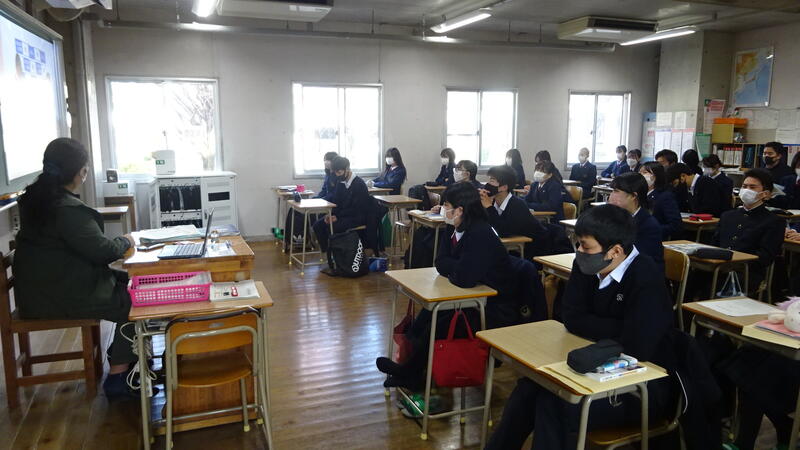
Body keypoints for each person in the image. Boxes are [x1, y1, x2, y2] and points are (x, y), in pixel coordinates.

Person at [485, 204, 676, 450]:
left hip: (640, 386)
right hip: (592, 365)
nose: (579, 251)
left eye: (586, 246)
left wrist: (603, 328)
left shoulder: (646, 276)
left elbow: (638, 344)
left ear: (615, 251)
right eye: (578, 244)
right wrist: (619, 329)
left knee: (554, 405)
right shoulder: (587, 265)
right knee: (529, 388)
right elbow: (571, 317)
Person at [14, 138, 138, 398]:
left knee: (129, 280)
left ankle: (123, 355)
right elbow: (102, 251)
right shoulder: (66, 209)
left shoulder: (35, 200)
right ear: (80, 172)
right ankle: (118, 377)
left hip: (39, 290)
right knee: (135, 301)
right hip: (58, 294)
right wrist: (125, 240)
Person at [376, 182, 520, 391]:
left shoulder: (481, 233)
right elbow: (440, 263)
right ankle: (411, 370)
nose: (443, 209)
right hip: (468, 297)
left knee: (438, 324)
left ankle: (410, 373)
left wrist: (457, 268)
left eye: (447, 205)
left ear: (460, 210)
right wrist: (459, 266)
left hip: (491, 307)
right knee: (426, 315)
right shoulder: (453, 227)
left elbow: (464, 278)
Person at [712, 168, 785, 292]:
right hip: (719, 266)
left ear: (765, 194)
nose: (746, 190)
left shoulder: (773, 221)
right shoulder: (727, 216)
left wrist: (735, 263)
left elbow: (765, 257)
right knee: (692, 276)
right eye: (744, 186)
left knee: (719, 285)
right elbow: (714, 244)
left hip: (747, 272)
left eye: (752, 187)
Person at [481, 165, 549, 259]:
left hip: (534, 250)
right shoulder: (492, 201)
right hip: (513, 248)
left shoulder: (517, 205)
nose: (487, 184)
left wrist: (489, 207)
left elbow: (503, 231)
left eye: (492, 181)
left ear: (504, 187)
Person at [312, 156, 371, 254]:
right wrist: (330, 215)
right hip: (342, 215)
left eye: (339, 172)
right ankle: (328, 254)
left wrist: (337, 217)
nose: (337, 175)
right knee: (317, 226)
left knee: (333, 227)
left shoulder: (358, 184)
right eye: (335, 172)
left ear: (347, 169)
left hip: (356, 216)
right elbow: (336, 201)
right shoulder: (340, 182)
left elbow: (357, 208)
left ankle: (338, 255)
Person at [608, 172, 665, 272]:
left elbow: (637, 261)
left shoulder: (648, 225)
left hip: (641, 275)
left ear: (633, 196)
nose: (611, 196)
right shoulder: (616, 217)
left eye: (616, 191)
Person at [640, 162, 682, 240]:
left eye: (644, 172)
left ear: (655, 176)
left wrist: (651, 229)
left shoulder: (665, 196)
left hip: (655, 238)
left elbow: (675, 225)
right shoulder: (639, 195)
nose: (640, 175)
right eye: (640, 173)